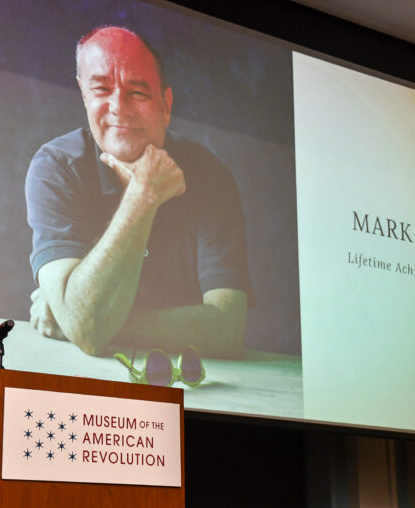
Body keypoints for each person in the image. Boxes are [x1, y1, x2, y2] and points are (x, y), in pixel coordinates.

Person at [26, 26, 251, 359]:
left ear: (166, 105)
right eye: (101, 89)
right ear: (84, 96)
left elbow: (228, 326)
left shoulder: (209, 175)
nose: (119, 107)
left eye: (138, 92)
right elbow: (88, 330)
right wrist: (144, 194)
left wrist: (76, 317)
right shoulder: (55, 168)